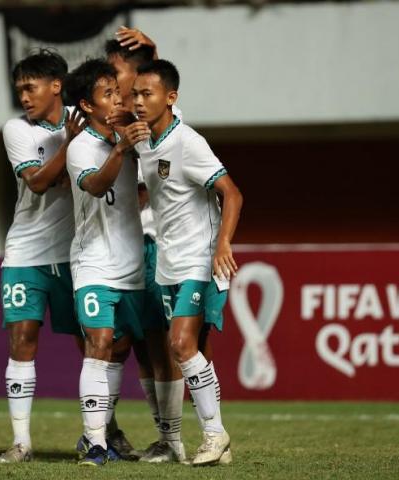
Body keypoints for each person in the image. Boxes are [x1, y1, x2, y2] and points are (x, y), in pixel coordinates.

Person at [132, 59, 243, 466]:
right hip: (169, 260)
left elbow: (232, 193)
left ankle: (214, 435)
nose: (139, 101)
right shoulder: (144, 143)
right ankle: (216, 440)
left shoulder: (189, 142)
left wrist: (222, 245)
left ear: (171, 98)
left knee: (179, 343)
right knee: (194, 349)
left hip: (201, 258)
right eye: (136, 94)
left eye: (148, 94)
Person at [0, 50, 85, 464]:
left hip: (76, 256)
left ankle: (100, 436)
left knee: (95, 344)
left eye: (30, 87)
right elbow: (37, 183)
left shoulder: (86, 117)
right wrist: (70, 144)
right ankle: (21, 442)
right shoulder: (17, 130)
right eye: (19, 90)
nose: (24, 97)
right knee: (22, 341)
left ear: (55, 85)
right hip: (25, 253)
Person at [63, 58, 151, 467]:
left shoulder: (132, 133)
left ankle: (101, 435)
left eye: (117, 91)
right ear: (88, 105)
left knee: (120, 349)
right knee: (98, 344)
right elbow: (96, 187)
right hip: (93, 262)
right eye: (107, 94)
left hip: (132, 261)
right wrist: (121, 147)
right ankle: (96, 443)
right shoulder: (80, 146)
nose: (117, 98)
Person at [105, 28, 187, 464]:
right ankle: (164, 438)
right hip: (126, 252)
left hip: (157, 245)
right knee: (142, 349)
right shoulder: (118, 124)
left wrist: (154, 53)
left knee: (164, 347)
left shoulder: (156, 124)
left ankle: (175, 440)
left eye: (116, 72)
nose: (112, 81)